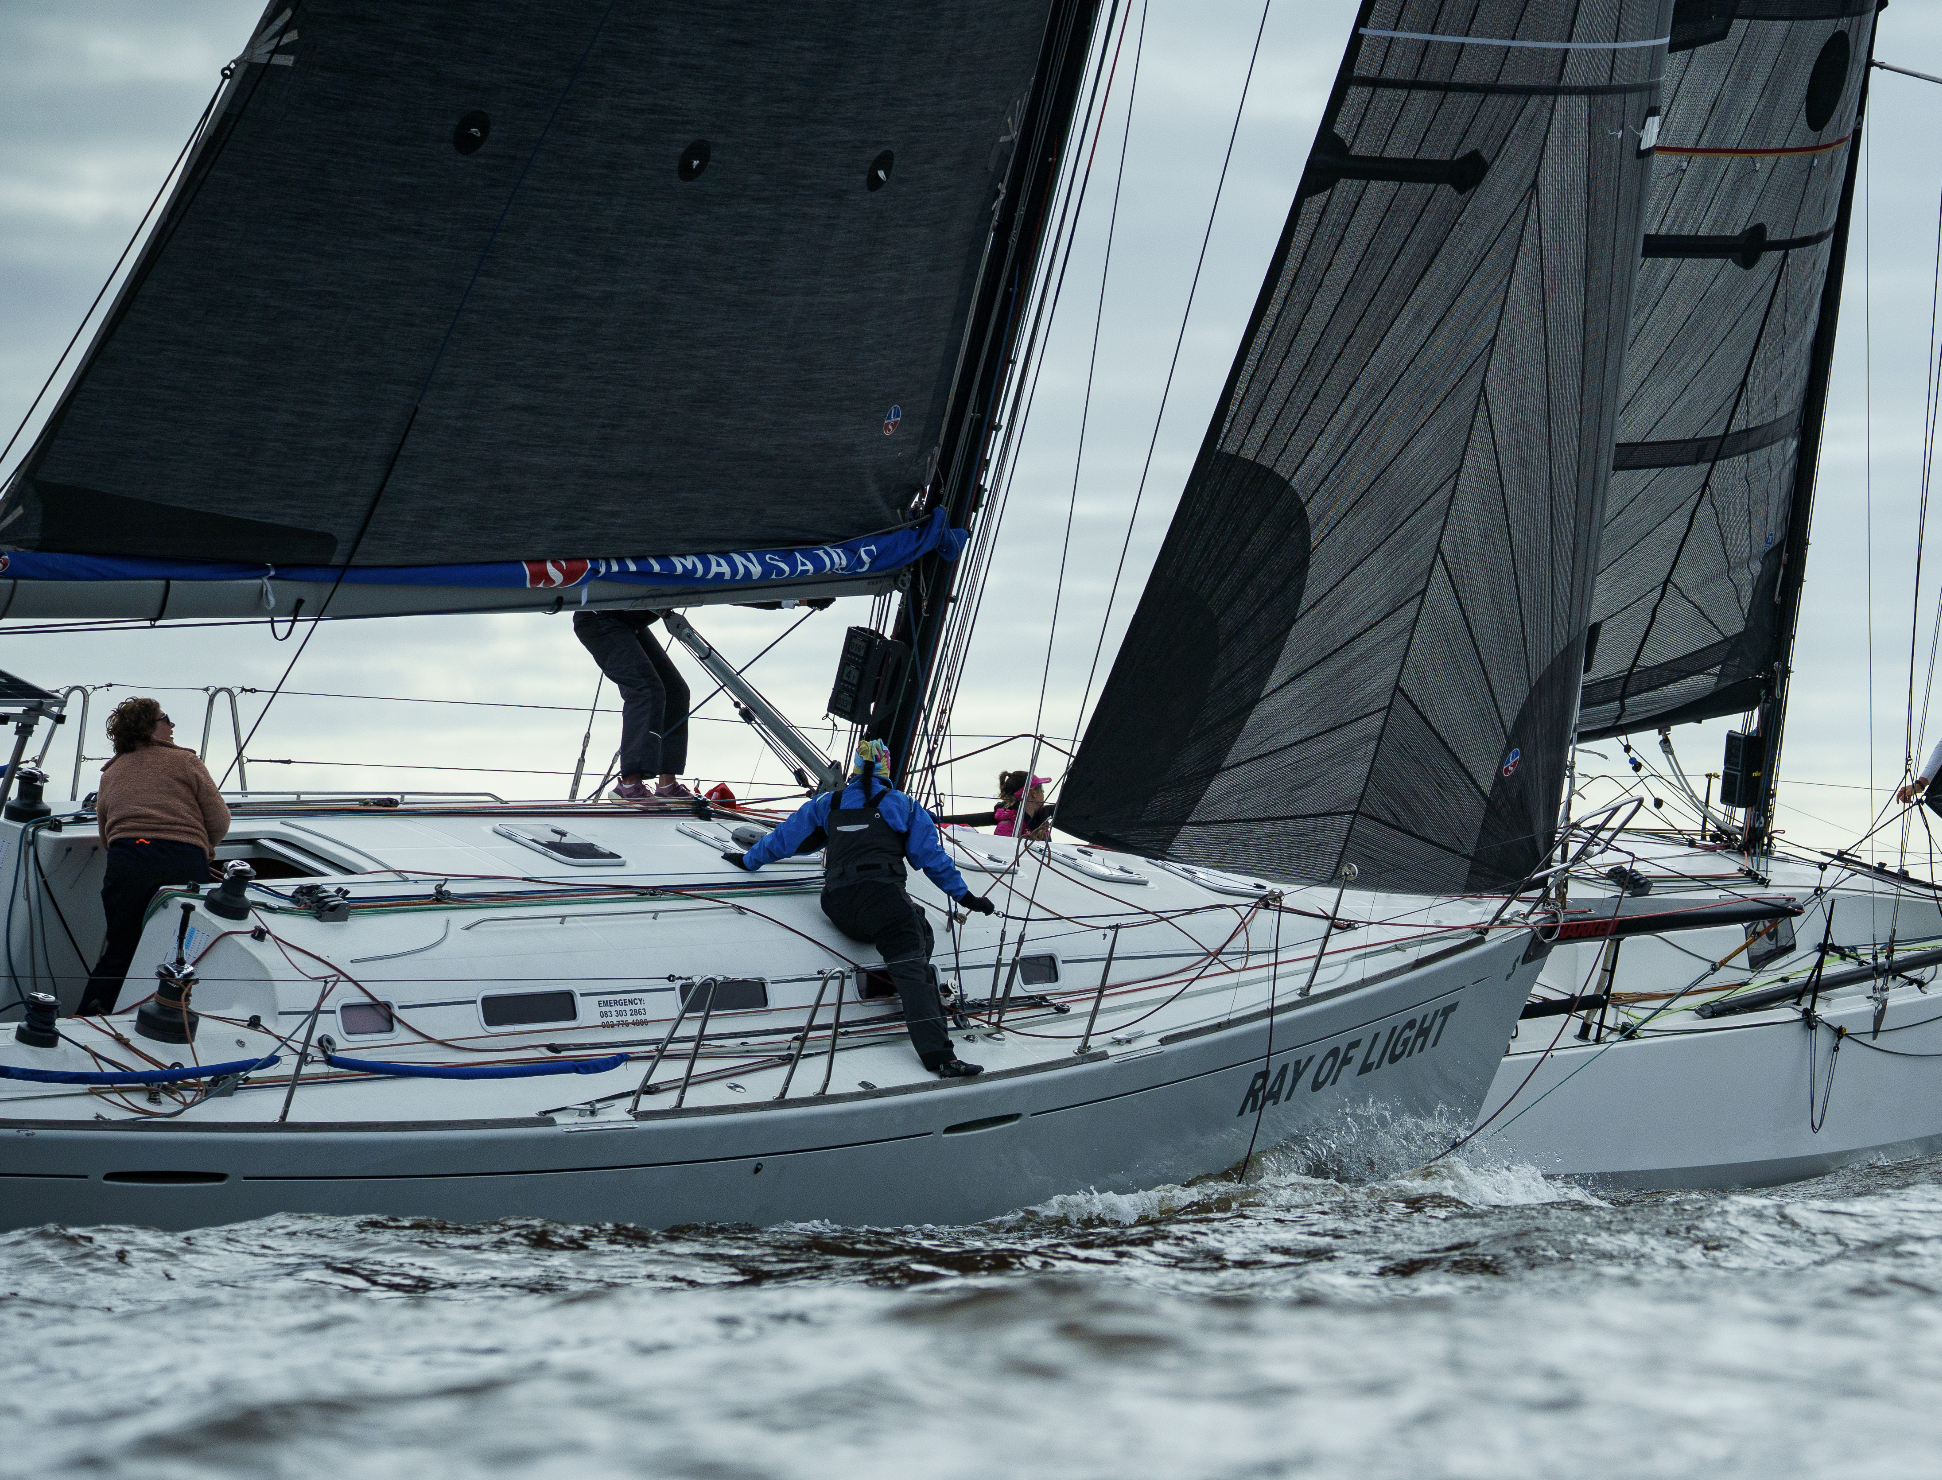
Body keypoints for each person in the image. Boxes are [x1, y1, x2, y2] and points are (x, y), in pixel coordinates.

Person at [722, 740, 995, 1078]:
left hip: (837, 906)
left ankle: (912, 989)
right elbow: (932, 859)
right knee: (912, 965)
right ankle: (940, 1057)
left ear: (853, 770)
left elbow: (784, 839)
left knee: (919, 924)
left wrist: (748, 861)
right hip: (883, 903)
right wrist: (968, 899)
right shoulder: (903, 805)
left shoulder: (828, 802)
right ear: (887, 769)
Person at [76, 698, 231, 1015]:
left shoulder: (111, 773)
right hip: (182, 859)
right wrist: (202, 848)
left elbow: (107, 834)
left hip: (128, 859)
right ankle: (170, 1016)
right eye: (166, 718)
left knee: (121, 949)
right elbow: (219, 820)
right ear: (148, 728)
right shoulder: (185, 761)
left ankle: (89, 1016)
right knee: (182, 951)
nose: (172, 725)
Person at [574, 609, 692, 800]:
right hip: (600, 617)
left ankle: (667, 786)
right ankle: (629, 786)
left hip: (628, 620)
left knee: (676, 691)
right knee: (645, 689)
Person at [994, 771, 1052, 840]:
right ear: (1033, 792)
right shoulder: (1006, 827)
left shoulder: (1040, 825)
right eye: (1041, 789)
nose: (1043, 793)